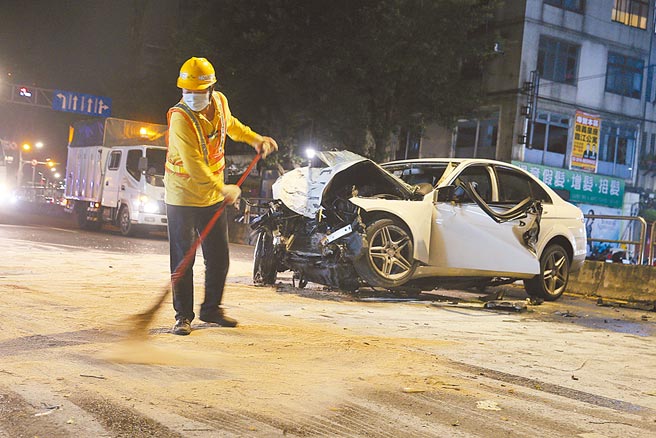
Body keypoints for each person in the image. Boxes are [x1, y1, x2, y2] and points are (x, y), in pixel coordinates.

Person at [165, 57, 278, 336]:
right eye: (186, 91)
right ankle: (183, 316)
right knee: (183, 260)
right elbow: (193, 165)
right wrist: (222, 188)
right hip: (182, 196)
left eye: (197, 91)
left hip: (212, 195)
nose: (191, 97)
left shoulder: (221, 103)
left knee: (219, 257)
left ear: (211, 89)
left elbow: (232, 126)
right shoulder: (180, 119)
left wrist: (255, 139)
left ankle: (211, 309)